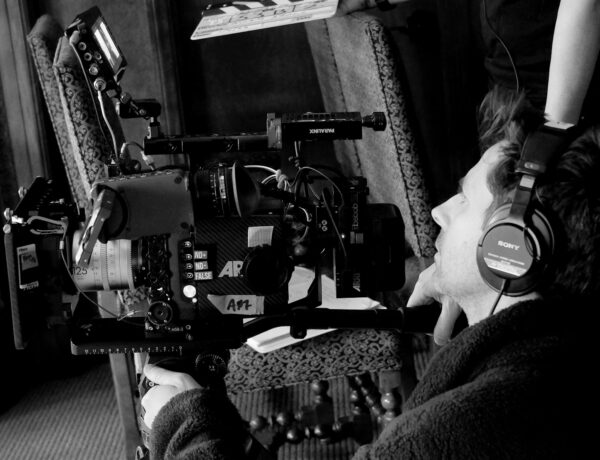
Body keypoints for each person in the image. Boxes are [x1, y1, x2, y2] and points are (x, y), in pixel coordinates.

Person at [141, 85, 598, 458]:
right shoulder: (558, 351)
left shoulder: (457, 430)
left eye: (464, 201)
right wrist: (466, 288)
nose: (439, 211)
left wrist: (184, 422)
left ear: (511, 249)